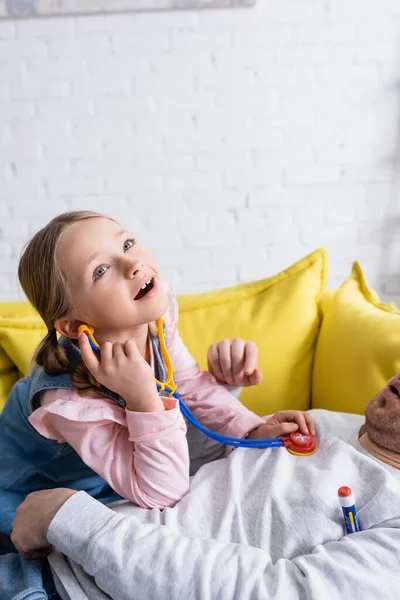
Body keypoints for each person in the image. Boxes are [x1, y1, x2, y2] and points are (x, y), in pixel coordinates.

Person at [9, 372, 400, 600]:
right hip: (53, 553)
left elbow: (268, 593)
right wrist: (219, 396)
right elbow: (181, 475)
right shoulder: (327, 422)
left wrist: (71, 518)